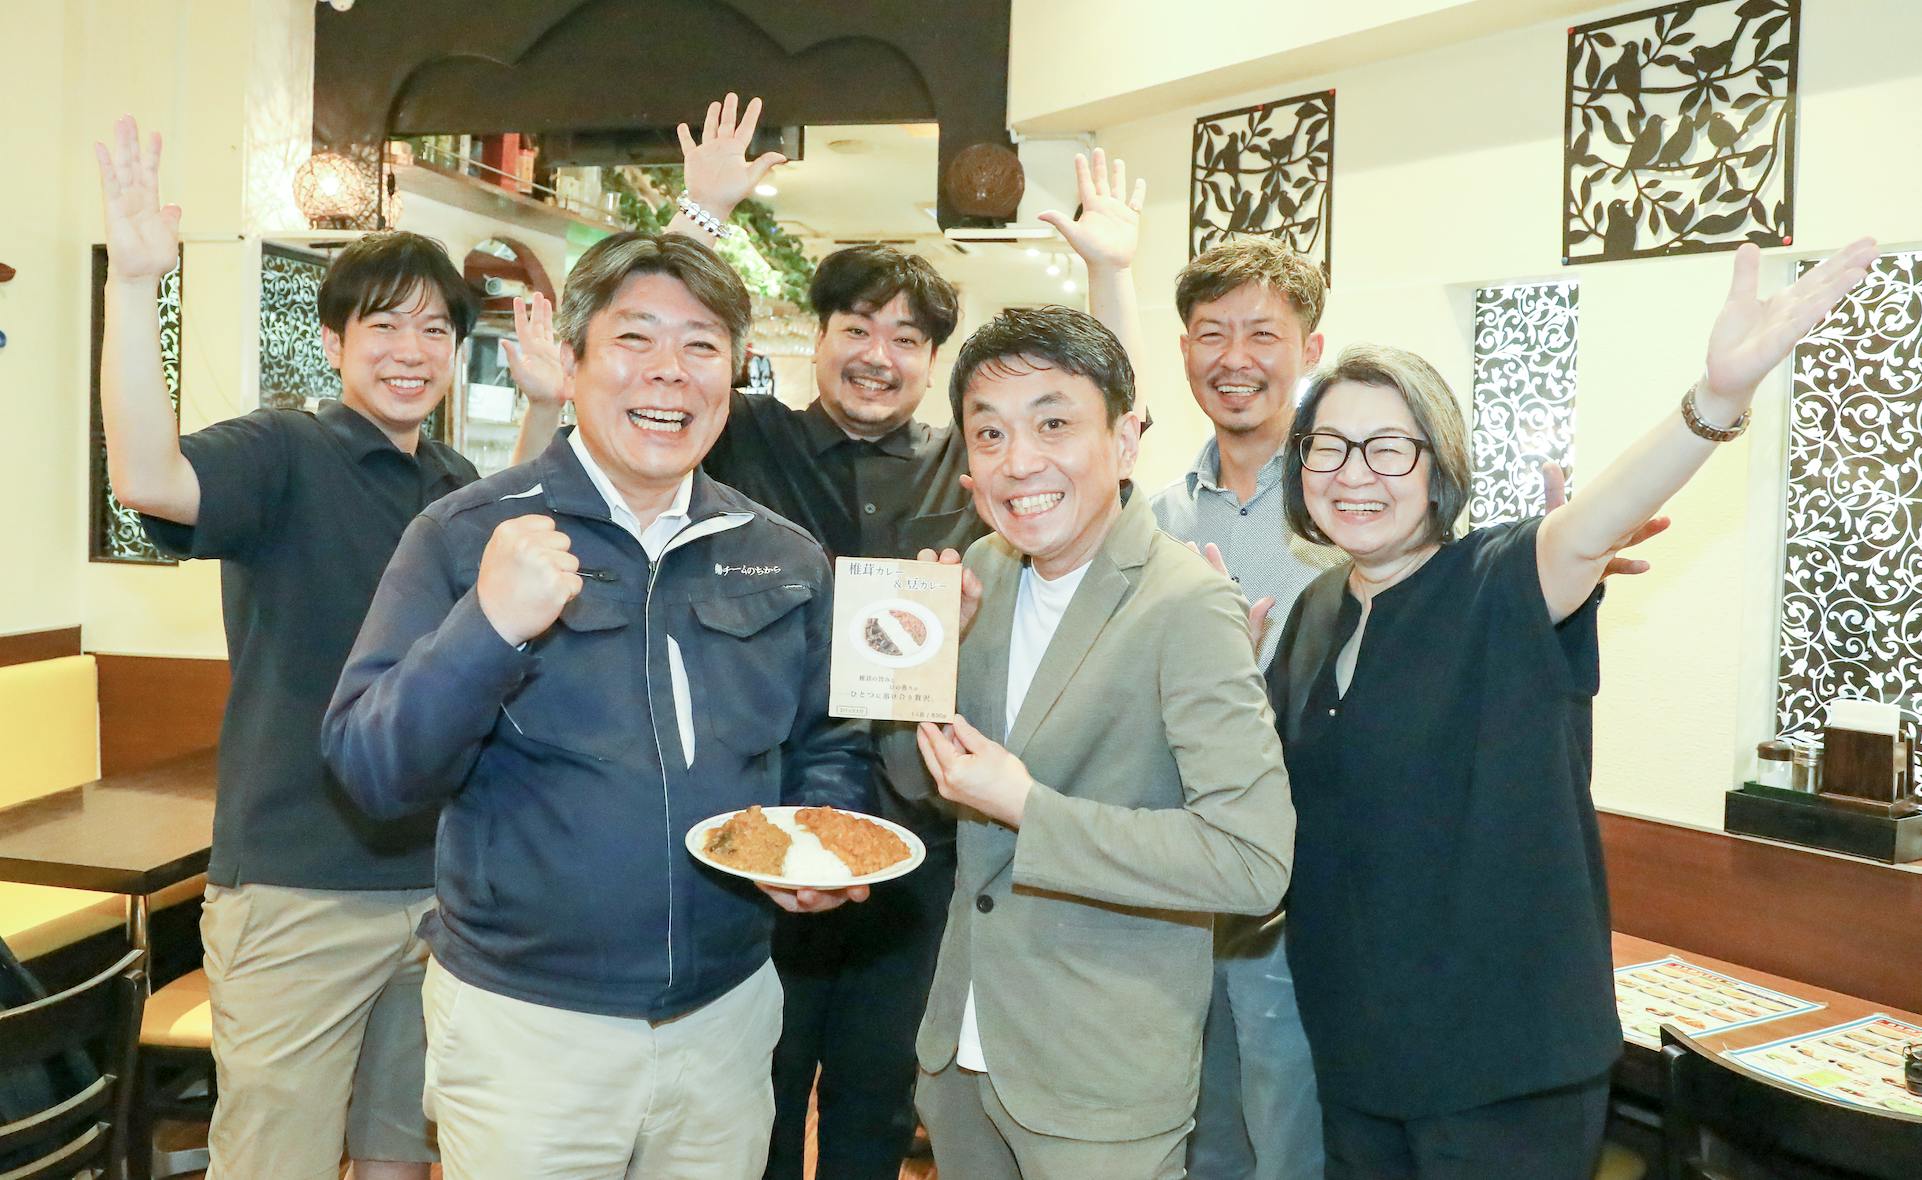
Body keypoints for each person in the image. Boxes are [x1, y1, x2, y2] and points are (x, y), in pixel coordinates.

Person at [505, 99, 1151, 1180]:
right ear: (819, 338)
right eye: (857, 326)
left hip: (921, 834)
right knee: (749, 1101)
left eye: (907, 338)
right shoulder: (743, 439)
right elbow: (659, 363)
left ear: (932, 361)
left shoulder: (972, 466)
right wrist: (700, 215)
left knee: (875, 1103)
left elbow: (1098, 436)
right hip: (759, 836)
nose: (877, 354)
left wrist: (1108, 278)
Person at [1266, 237, 1877, 1179]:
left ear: (1440, 464)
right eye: (1329, 447)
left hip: (1504, 1066)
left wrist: (1716, 400)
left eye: (1389, 448)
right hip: (1356, 1052)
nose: (1354, 473)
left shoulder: (1501, 580)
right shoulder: (1313, 611)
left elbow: (1592, 521)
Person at [322, 231, 872, 1180]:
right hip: (526, 1027)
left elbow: (830, 744)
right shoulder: (467, 534)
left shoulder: (782, 555)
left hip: (727, 1018)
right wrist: (489, 626)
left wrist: (819, 844)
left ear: (734, 373)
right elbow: (373, 770)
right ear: (571, 361)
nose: (669, 372)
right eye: (635, 339)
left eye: (701, 345)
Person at [95, 115, 489, 1180]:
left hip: (438, 886)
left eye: (434, 330)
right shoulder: (285, 449)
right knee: (277, 1163)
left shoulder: (455, 486)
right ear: (332, 342)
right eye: (382, 325)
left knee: (402, 1156)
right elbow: (147, 477)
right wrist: (133, 285)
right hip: (297, 888)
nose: (410, 351)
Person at [900, 304, 1295, 1178]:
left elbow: (1251, 861)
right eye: (990, 433)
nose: (1019, 461)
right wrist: (928, 666)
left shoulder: (1187, 603)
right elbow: (924, 783)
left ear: (1122, 441)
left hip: (1099, 1078)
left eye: (1053, 424)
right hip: (962, 1052)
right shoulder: (982, 572)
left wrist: (1029, 809)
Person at [1148, 236, 1335, 1180]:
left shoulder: (1351, 507)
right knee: (1193, 1113)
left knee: (1286, 1114)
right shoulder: (1159, 519)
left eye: (1263, 333)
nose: (1235, 358)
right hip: (1180, 872)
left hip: (1312, 876)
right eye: (1211, 333)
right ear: (1184, 348)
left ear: (1310, 348)